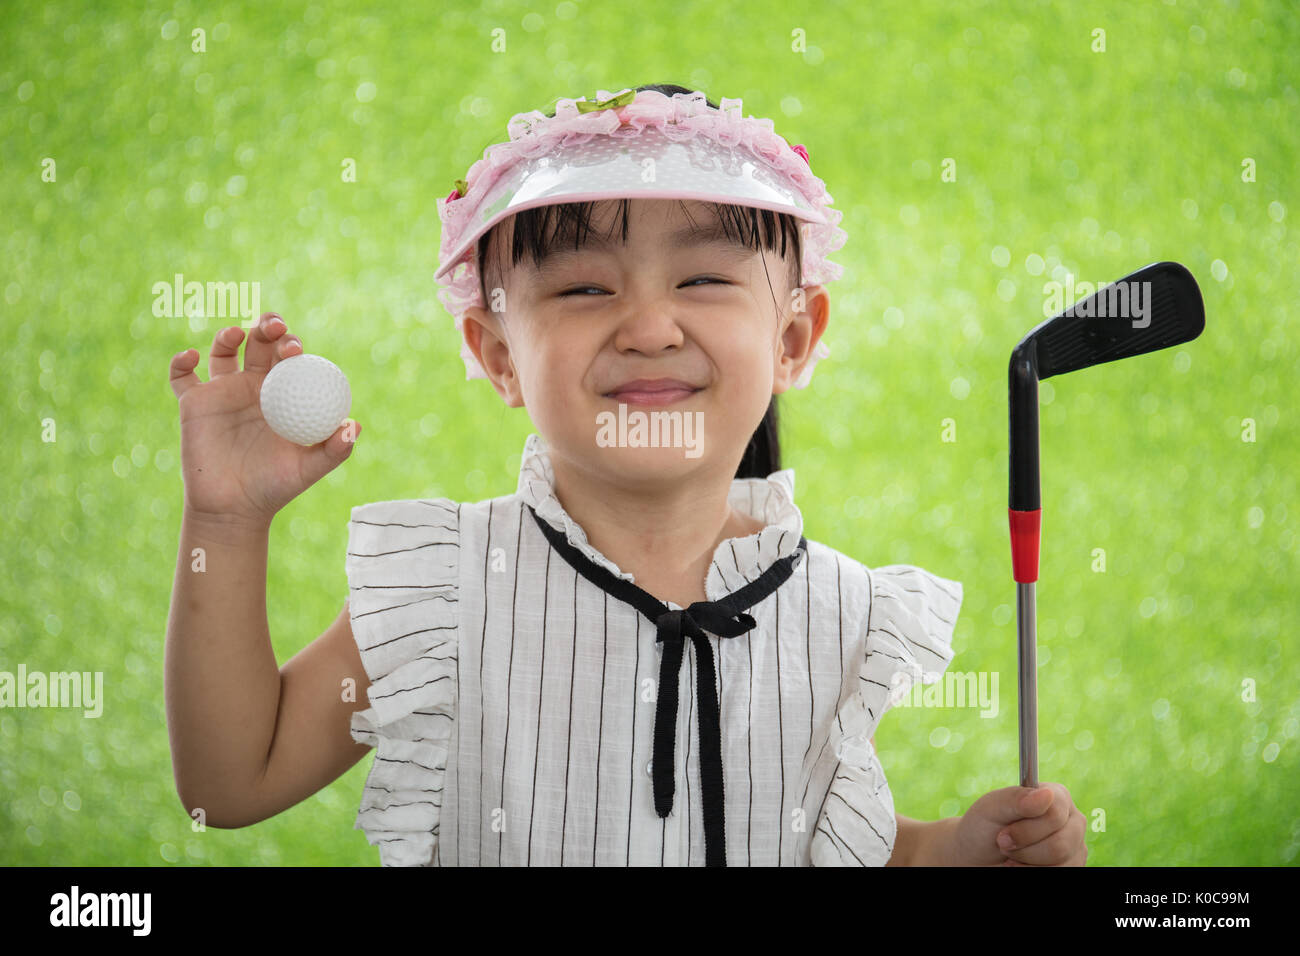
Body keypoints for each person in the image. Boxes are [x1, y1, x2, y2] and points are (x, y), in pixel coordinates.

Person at [165, 82, 1087, 867]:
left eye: (703, 281)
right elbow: (229, 783)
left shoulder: (844, 613)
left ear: (795, 336)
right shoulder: (448, 587)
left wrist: (950, 850)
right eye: (582, 288)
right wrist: (225, 522)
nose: (649, 326)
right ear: (498, 357)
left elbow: (828, 837)